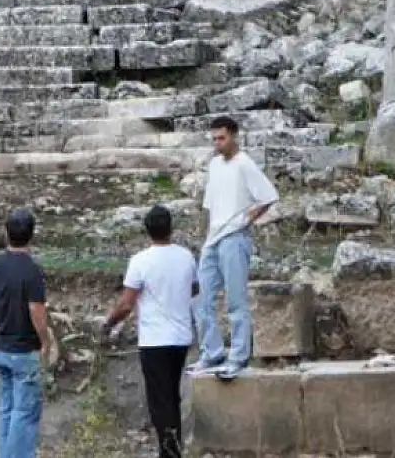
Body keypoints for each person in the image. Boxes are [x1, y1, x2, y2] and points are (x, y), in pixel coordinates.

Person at [103, 205, 198, 458]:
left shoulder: (140, 261)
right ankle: (173, 447)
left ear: (147, 231)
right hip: (180, 337)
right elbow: (194, 288)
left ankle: (169, 451)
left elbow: (126, 304)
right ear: (171, 228)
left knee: (160, 400)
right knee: (171, 395)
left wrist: (109, 323)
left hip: (155, 340)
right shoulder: (186, 256)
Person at [191, 115, 279, 380]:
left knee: (235, 300)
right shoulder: (215, 165)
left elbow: (268, 196)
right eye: (214, 138)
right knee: (201, 299)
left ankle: (239, 356)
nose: (218, 143)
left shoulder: (245, 164)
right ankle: (212, 351)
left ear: (234, 136)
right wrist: (204, 236)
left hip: (234, 238)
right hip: (213, 239)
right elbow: (209, 204)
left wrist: (245, 221)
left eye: (222, 137)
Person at [0, 208, 57, 458]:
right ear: (32, 236)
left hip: (1, 348)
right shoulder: (32, 272)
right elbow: (36, 310)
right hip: (25, 351)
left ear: (6, 233)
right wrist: (45, 341)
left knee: (6, 409)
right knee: (24, 413)